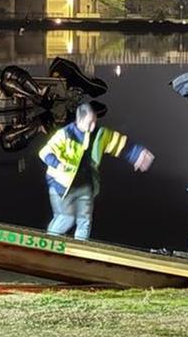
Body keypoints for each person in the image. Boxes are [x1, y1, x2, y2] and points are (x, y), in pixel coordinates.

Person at [38, 102, 155, 240]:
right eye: (89, 123)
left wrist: (138, 154)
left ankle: (81, 251)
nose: (92, 127)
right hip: (62, 185)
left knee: (85, 221)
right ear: (79, 120)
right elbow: (45, 151)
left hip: (86, 185)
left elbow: (117, 142)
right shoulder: (65, 134)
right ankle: (49, 243)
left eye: (94, 122)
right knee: (66, 218)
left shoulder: (99, 134)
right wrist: (57, 164)